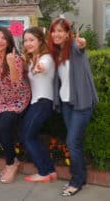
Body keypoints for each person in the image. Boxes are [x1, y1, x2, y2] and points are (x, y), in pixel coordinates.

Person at [48, 17, 98, 197]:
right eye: (54, 31)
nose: (56, 34)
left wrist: (81, 43)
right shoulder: (56, 52)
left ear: (68, 33)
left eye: (61, 31)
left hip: (81, 104)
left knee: (71, 142)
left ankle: (76, 181)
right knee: (75, 143)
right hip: (67, 104)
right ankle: (82, 176)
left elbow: (81, 47)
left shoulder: (75, 49)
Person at [0, 27, 31, 183]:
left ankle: (11, 163)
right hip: (4, 98)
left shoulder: (15, 58)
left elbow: (16, 82)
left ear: (8, 42)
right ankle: (14, 160)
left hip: (19, 97)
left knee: (4, 125)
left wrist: (11, 63)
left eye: (3, 38)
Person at [21, 27, 57, 182]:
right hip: (37, 102)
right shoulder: (31, 59)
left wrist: (38, 68)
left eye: (31, 40)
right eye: (25, 40)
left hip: (43, 102)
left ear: (40, 41)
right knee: (32, 136)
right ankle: (49, 170)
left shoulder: (45, 58)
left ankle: (43, 173)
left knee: (26, 136)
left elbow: (44, 67)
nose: (28, 43)